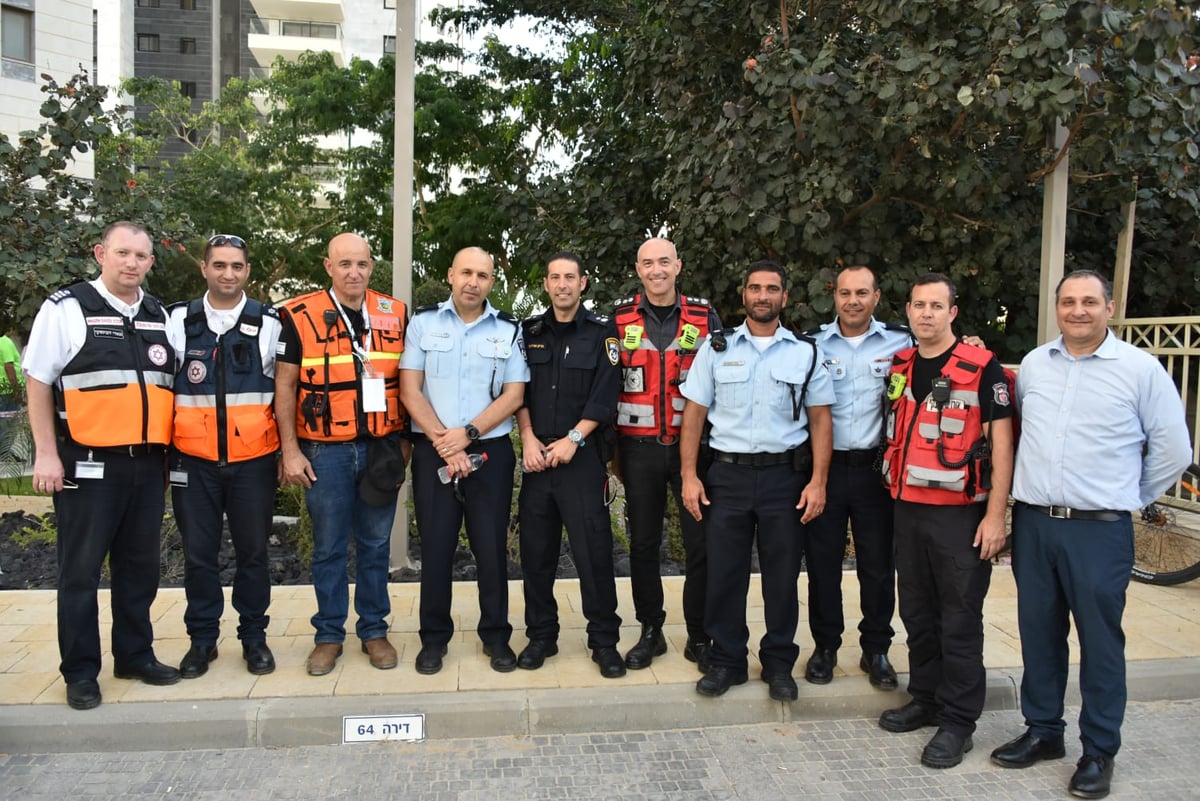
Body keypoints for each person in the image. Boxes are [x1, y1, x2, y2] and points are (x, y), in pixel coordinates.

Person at [990, 270, 1191, 799]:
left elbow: (1174, 451)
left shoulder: (1140, 370)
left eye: (1089, 302)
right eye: (1068, 302)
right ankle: (1043, 731)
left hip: (1099, 531)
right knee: (1039, 632)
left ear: (1110, 306)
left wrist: (1128, 493)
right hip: (1035, 524)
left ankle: (1099, 750)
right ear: (1056, 307)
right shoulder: (1035, 364)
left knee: (1100, 642)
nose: (1078, 310)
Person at [23, 221, 181, 710]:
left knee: (139, 569)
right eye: (122, 253)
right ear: (101, 254)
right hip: (87, 463)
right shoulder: (67, 309)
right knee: (81, 572)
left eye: (141, 256)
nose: (132, 263)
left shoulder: (158, 314)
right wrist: (46, 453)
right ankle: (80, 672)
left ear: (151, 262)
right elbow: (38, 381)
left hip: (146, 464)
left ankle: (134, 655)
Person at [679, 259, 834, 702]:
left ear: (785, 297)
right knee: (725, 574)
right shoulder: (716, 348)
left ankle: (779, 663)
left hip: (785, 478)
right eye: (754, 288)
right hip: (726, 476)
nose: (762, 296)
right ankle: (728, 660)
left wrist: (818, 481)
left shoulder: (805, 352)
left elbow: (822, 421)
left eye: (771, 289)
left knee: (781, 577)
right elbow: (694, 416)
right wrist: (690, 475)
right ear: (743, 295)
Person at [877, 272, 1014, 769]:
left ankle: (959, 722)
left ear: (953, 313)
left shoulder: (983, 368)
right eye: (918, 305)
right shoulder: (901, 363)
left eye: (937, 305)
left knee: (958, 620)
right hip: (907, 508)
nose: (926, 314)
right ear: (908, 310)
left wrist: (996, 516)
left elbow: (1003, 447)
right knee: (916, 613)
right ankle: (927, 697)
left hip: (960, 516)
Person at [276, 233, 408, 676]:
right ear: (328, 266)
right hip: (324, 452)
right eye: (345, 264)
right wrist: (290, 451)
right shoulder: (297, 315)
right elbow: (285, 387)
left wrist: (404, 445)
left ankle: (374, 630)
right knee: (329, 549)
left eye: (363, 264)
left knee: (375, 546)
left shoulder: (394, 313)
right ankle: (328, 635)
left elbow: (407, 383)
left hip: (380, 450)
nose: (355, 272)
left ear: (373, 267)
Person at [400, 247, 528, 675]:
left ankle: (496, 637)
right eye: (467, 272)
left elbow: (514, 394)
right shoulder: (423, 323)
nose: (474, 281)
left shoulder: (509, 329)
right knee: (435, 548)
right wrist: (445, 442)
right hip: (433, 450)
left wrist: (467, 435)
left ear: (492, 282)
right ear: (451, 275)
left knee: (491, 550)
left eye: (484, 275)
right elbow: (409, 389)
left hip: (489, 452)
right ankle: (433, 641)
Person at [166, 234, 281, 679]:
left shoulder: (269, 322)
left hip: (253, 461)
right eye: (219, 265)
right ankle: (202, 640)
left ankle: (254, 637)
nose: (228, 273)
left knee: (253, 554)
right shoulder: (178, 320)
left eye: (236, 266)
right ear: (204, 268)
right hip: (192, 461)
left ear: (247, 271)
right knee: (199, 555)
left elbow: (283, 393)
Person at [611, 237, 722, 671]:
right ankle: (650, 631)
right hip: (638, 450)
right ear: (638, 270)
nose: (656, 270)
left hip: (693, 451)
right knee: (643, 544)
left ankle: (700, 634)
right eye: (647, 263)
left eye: (664, 262)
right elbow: (609, 385)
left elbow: (721, 383)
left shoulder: (704, 315)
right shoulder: (619, 318)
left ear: (678, 265)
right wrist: (611, 454)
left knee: (701, 545)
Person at [802, 264, 912, 690]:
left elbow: (945, 351)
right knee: (823, 566)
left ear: (876, 297)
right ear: (835, 297)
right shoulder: (812, 344)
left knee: (878, 567)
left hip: (874, 472)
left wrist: (974, 341)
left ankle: (876, 649)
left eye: (861, 293)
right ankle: (825, 647)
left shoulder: (902, 342)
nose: (853, 301)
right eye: (845, 293)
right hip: (824, 472)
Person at [516, 251, 625, 679]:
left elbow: (606, 393)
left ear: (583, 283)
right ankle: (541, 635)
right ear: (546, 284)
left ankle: (604, 641)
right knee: (535, 555)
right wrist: (526, 438)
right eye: (555, 277)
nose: (562, 284)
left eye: (570, 277)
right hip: (537, 458)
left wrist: (574, 439)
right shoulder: (528, 333)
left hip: (581, 460)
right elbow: (516, 390)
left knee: (593, 553)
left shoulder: (604, 334)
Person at [0, 332, 24, 458]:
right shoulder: (5, 342)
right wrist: (16, 391)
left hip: (3, 389)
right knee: (8, 423)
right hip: (7, 390)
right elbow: (9, 366)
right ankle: (4, 453)